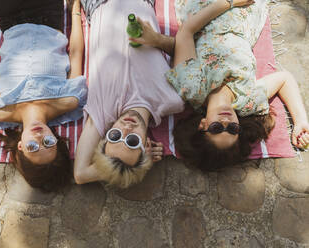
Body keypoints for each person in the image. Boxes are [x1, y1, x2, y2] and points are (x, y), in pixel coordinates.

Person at [130, 0, 309, 171]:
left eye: (216, 128)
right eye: (232, 129)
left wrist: (228, 3)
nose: (226, 121)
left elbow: (187, 32)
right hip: (244, 17)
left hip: (204, 10)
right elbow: (285, 79)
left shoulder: (192, 88)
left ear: (203, 124)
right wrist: (300, 120)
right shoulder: (248, 100)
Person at [0, 0, 87, 191]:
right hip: (48, 16)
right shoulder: (68, 102)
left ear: (20, 147)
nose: (39, 138)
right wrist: (75, 9)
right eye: (48, 143)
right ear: (57, 140)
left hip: (8, 19)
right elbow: (76, 53)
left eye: (33, 148)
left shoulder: (1, 112)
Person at [73, 0, 185, 188]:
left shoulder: (103, 112)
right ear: (145, 146)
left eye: (115, 136)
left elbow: (80, 174)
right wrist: (156, 40)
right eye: (132, 141)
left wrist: (118, 169)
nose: (125, 129)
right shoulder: (172, 99)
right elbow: (184, 46)